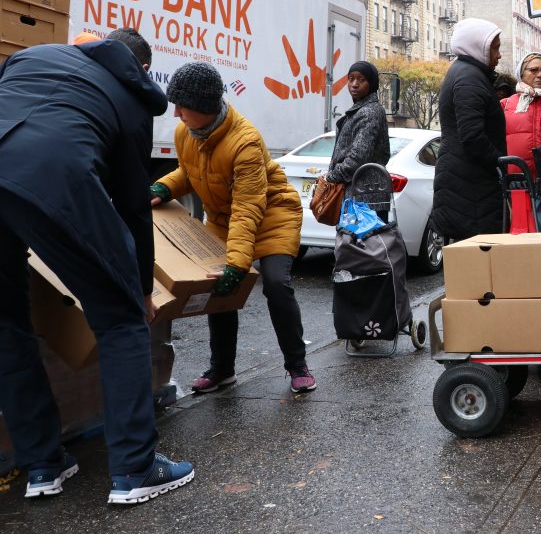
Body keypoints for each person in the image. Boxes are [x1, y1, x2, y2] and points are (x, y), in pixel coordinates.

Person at [0, 29, 194, 504]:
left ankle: (43, 465)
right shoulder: (131, 99)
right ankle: (135, 469)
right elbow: (132, 205)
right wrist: (140, 288)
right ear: (141, 70)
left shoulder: (35, 55)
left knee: (6, 325)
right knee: (121, 317)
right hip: (53, 175)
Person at [150, 62, 316, 396]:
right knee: (218, 289)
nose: (176, 112)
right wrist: (163, 187)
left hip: (272, 215)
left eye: (183, 105)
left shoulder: (245, 142)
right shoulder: (186, 133)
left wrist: (237, 265)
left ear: (205, 107)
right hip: (226, 221)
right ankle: (222, 370)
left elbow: (248, 206)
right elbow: (190, 171)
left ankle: (297, 365)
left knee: (276, 284)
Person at [431, 18, 506, 242]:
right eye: (494, 47)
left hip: (466, 183)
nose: (499, 55)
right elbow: (472, 136)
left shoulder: (468, 74)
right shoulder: (469, 78)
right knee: (475, 261)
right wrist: (502, 162)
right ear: (477, 46)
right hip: (470, 187)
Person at [326, 61, 391, 221]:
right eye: (351, 79)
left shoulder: (369, 112)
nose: (354, 84)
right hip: (358, 195)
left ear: (372, 83)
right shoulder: (361, 110)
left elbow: (357, 157)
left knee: (361, 245)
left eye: (361, 80)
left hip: (365, 200)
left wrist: (331, 177)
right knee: (351, 244)